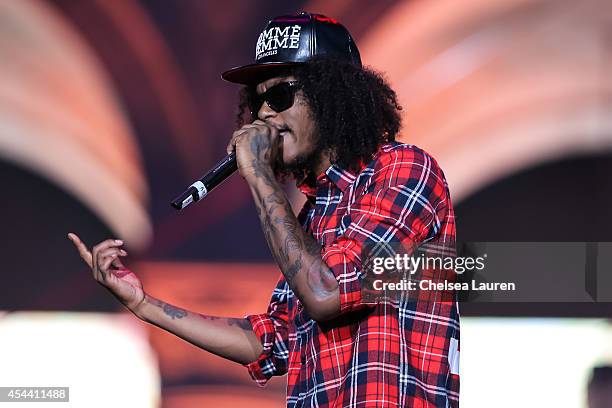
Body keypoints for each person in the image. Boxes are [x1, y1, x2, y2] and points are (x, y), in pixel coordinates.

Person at [68, 12, 460, 407]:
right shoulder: (312, 216)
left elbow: (328, 293)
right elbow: (270, 342)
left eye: (281, 95)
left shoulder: (404, 169)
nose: (266, 114)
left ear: (332, 95)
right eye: (258, 100)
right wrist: (143, 304)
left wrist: (258, 174)